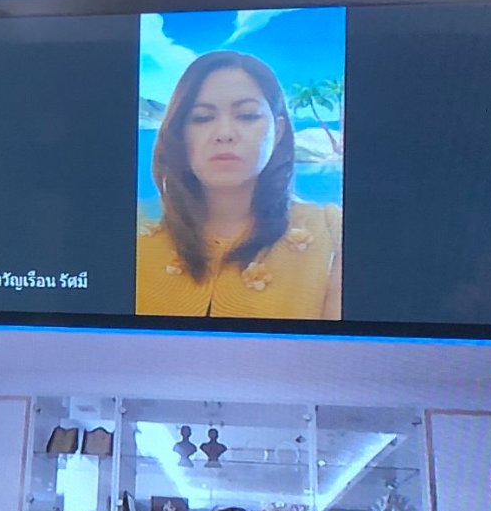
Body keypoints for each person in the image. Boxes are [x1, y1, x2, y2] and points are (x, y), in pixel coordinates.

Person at [135, 50, 342, 318]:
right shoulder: (131, 228)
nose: (224, 134)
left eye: (247, 115)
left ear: (278, 131)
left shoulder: (332, 234)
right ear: (180, 133)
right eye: (202, 118)